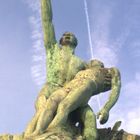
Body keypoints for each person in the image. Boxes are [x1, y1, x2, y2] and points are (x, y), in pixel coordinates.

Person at [24, 0, 95, 137]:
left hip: (69, 93)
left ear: (76, 42)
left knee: (89, 115)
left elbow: (92, 79)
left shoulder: (82, 64)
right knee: (42, 109)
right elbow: (47, 22)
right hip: (51, 88)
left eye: (70, 35)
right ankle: (31, 135)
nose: (67, 35)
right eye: (64, 35)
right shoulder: (53, 50)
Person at [28, 59, 121, 140]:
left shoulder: (110, 71)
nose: (92, 61)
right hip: (68, 87)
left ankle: (54, 129)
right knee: (50, 102)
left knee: (64, 105)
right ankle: (38, 131)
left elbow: (116, 90)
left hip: (86, 85)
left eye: (95, 61)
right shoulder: (83, 70)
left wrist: (106, 109)